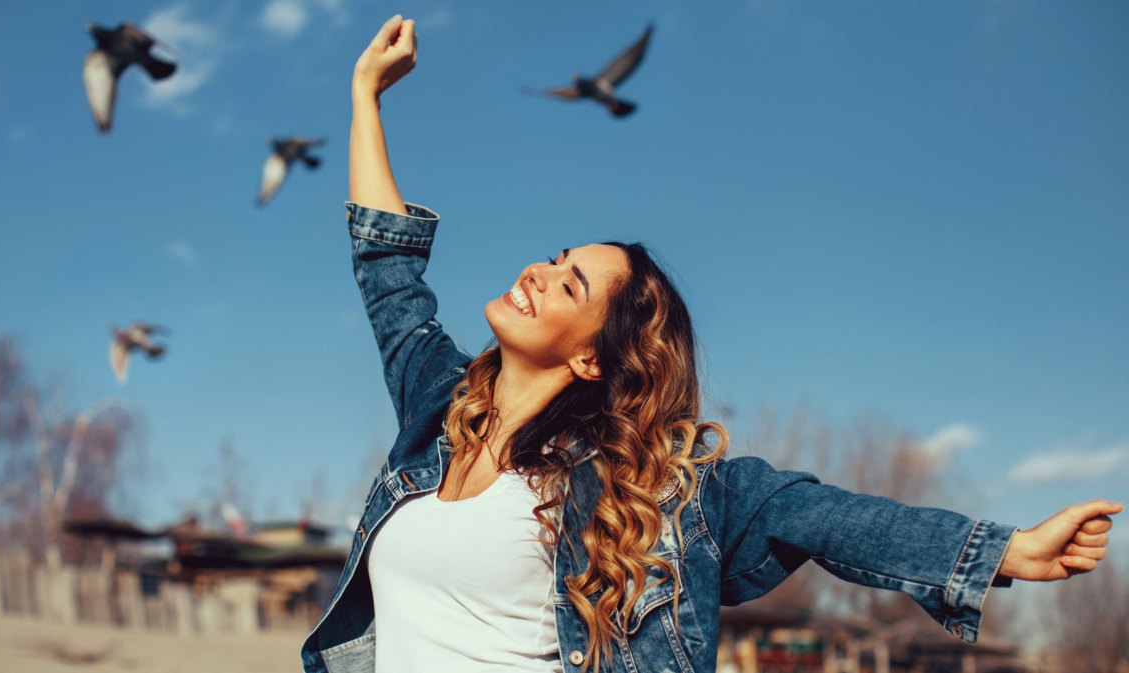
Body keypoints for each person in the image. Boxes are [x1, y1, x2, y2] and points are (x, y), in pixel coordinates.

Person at [301, 15, 1122, 673]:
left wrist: (1003, 550)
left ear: (593, 357)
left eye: (572, 284)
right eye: (556, 260)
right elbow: (387, 268)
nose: (540, 273)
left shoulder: (656, 488)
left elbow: (828, 516)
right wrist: (365, 96)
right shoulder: (439, 412)